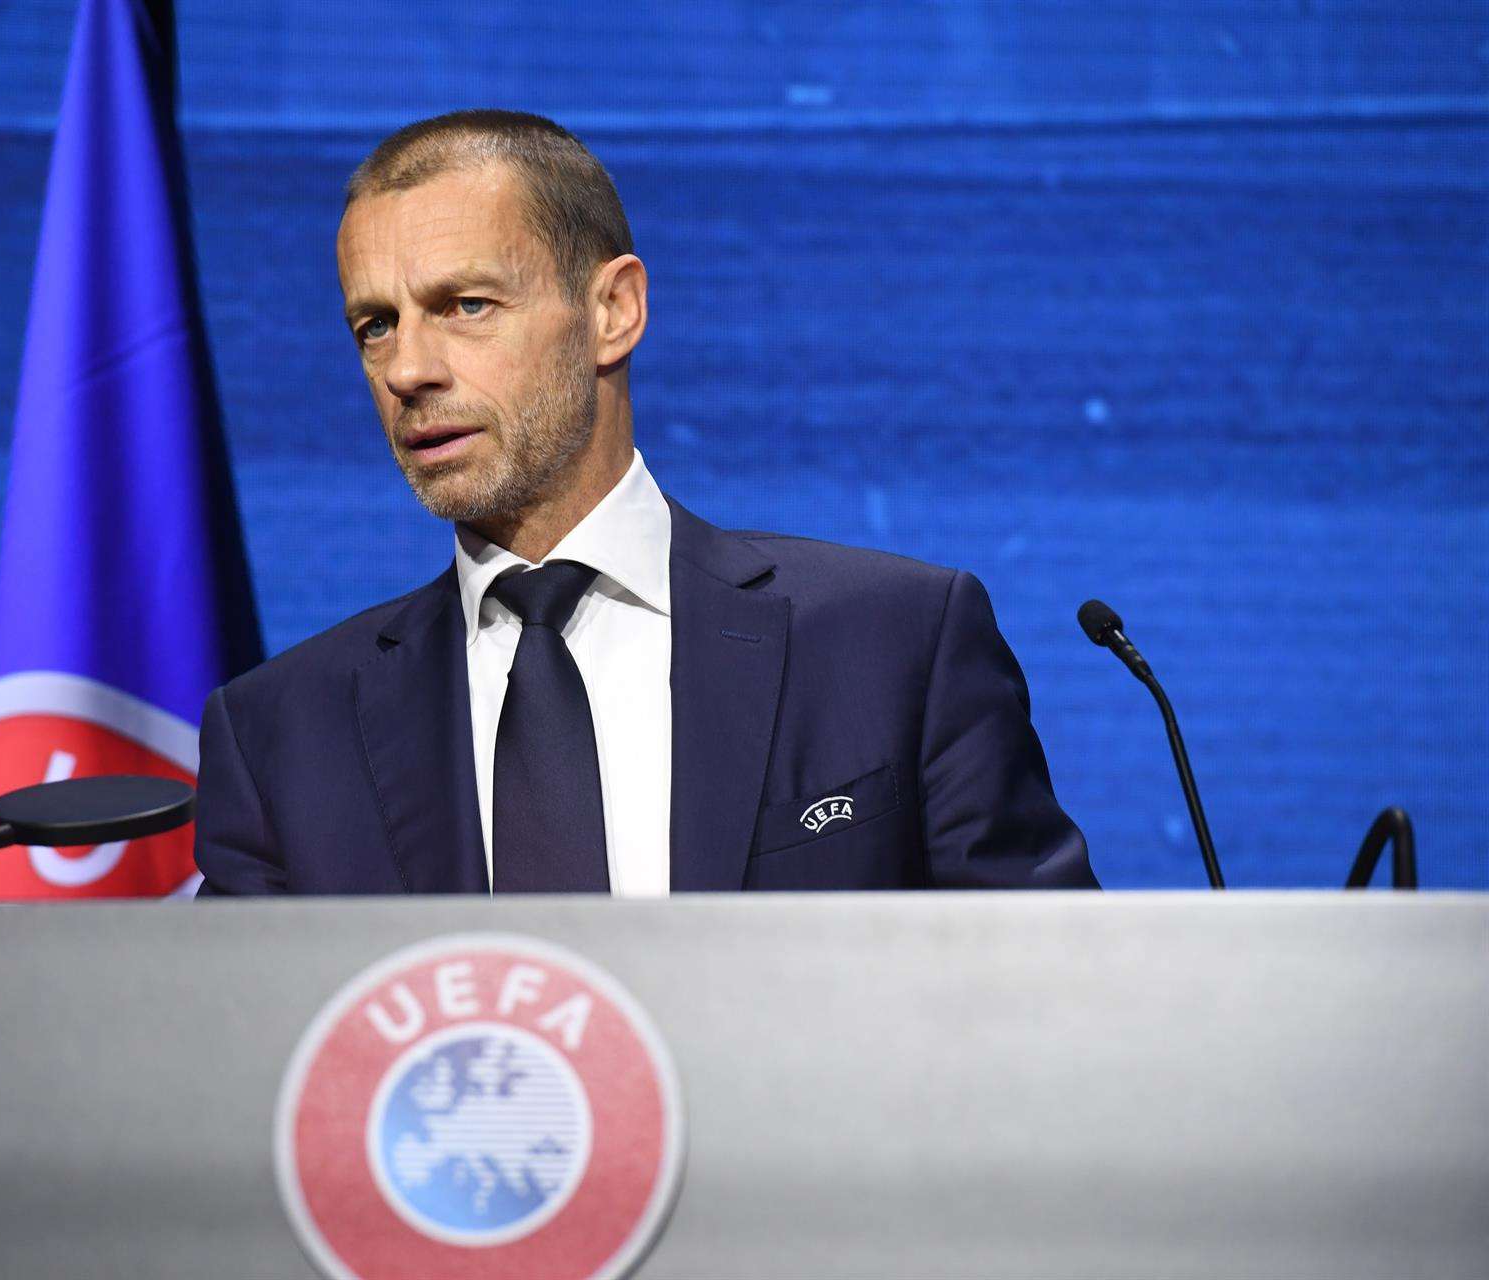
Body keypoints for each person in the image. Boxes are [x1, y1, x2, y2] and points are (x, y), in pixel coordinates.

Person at [195, 110, 1095, 896]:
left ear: (614, 311)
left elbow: (1055, 998)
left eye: (466, 305)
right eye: (376, 325)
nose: (406, 370)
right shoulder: (281, 734)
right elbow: (245, 1067)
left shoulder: (894, 643)